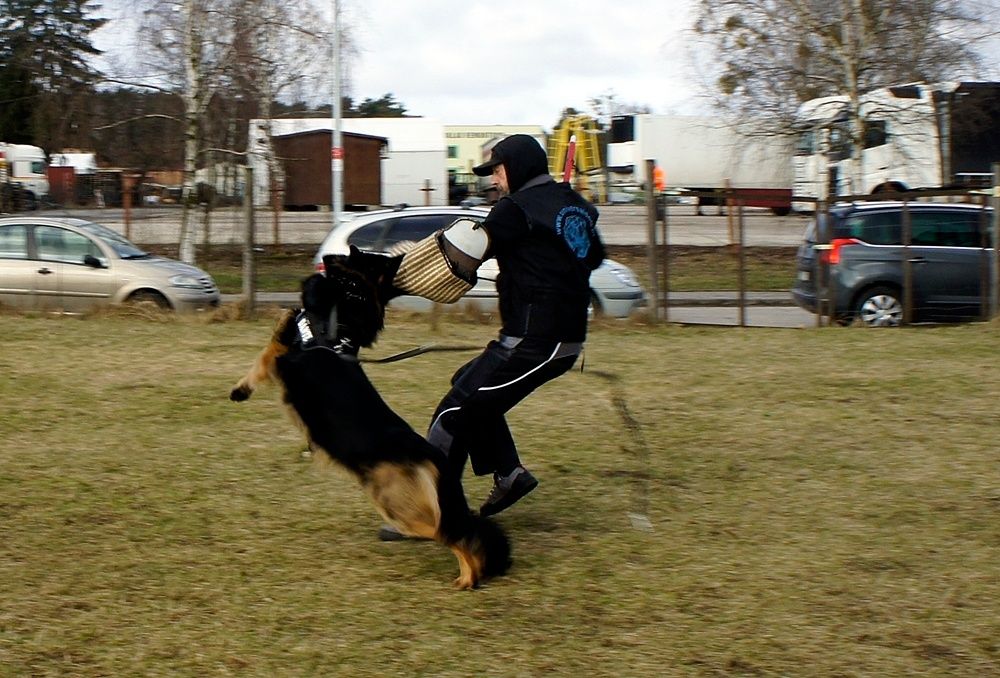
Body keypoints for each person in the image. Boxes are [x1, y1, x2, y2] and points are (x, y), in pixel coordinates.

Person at [380, 134, 605, 540]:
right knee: (470, 390)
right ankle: (509, 473)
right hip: (557, 340)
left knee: (455, 413)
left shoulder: (514, 209)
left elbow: (461, 255)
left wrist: (395, 271)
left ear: (517, 167)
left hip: (534, 342)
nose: (495, 180)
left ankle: (426, 514)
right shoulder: (576, 207)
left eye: (499, 170)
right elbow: (593, 257)